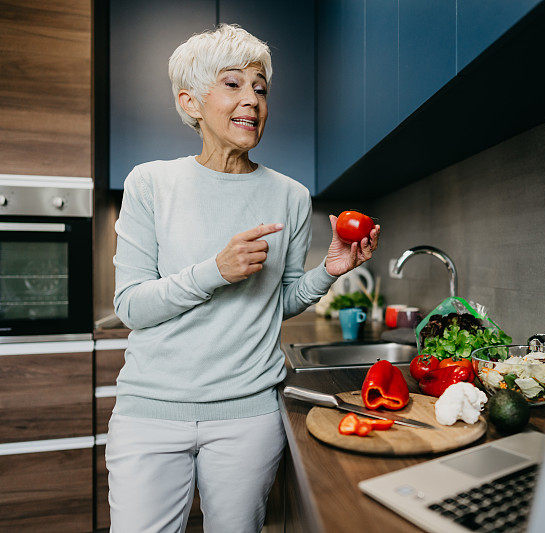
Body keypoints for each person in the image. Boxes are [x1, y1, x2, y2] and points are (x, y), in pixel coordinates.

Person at [106, 24, 380, 532]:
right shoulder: (150, 184)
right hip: (151, 414)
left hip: (247, 416)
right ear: (191, 102)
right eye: (233, 84)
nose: (251, 99)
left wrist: (329, 272)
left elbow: (281, 301)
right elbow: (131, 306)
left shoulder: (292, 197)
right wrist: (215, 270)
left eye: (260, 88)